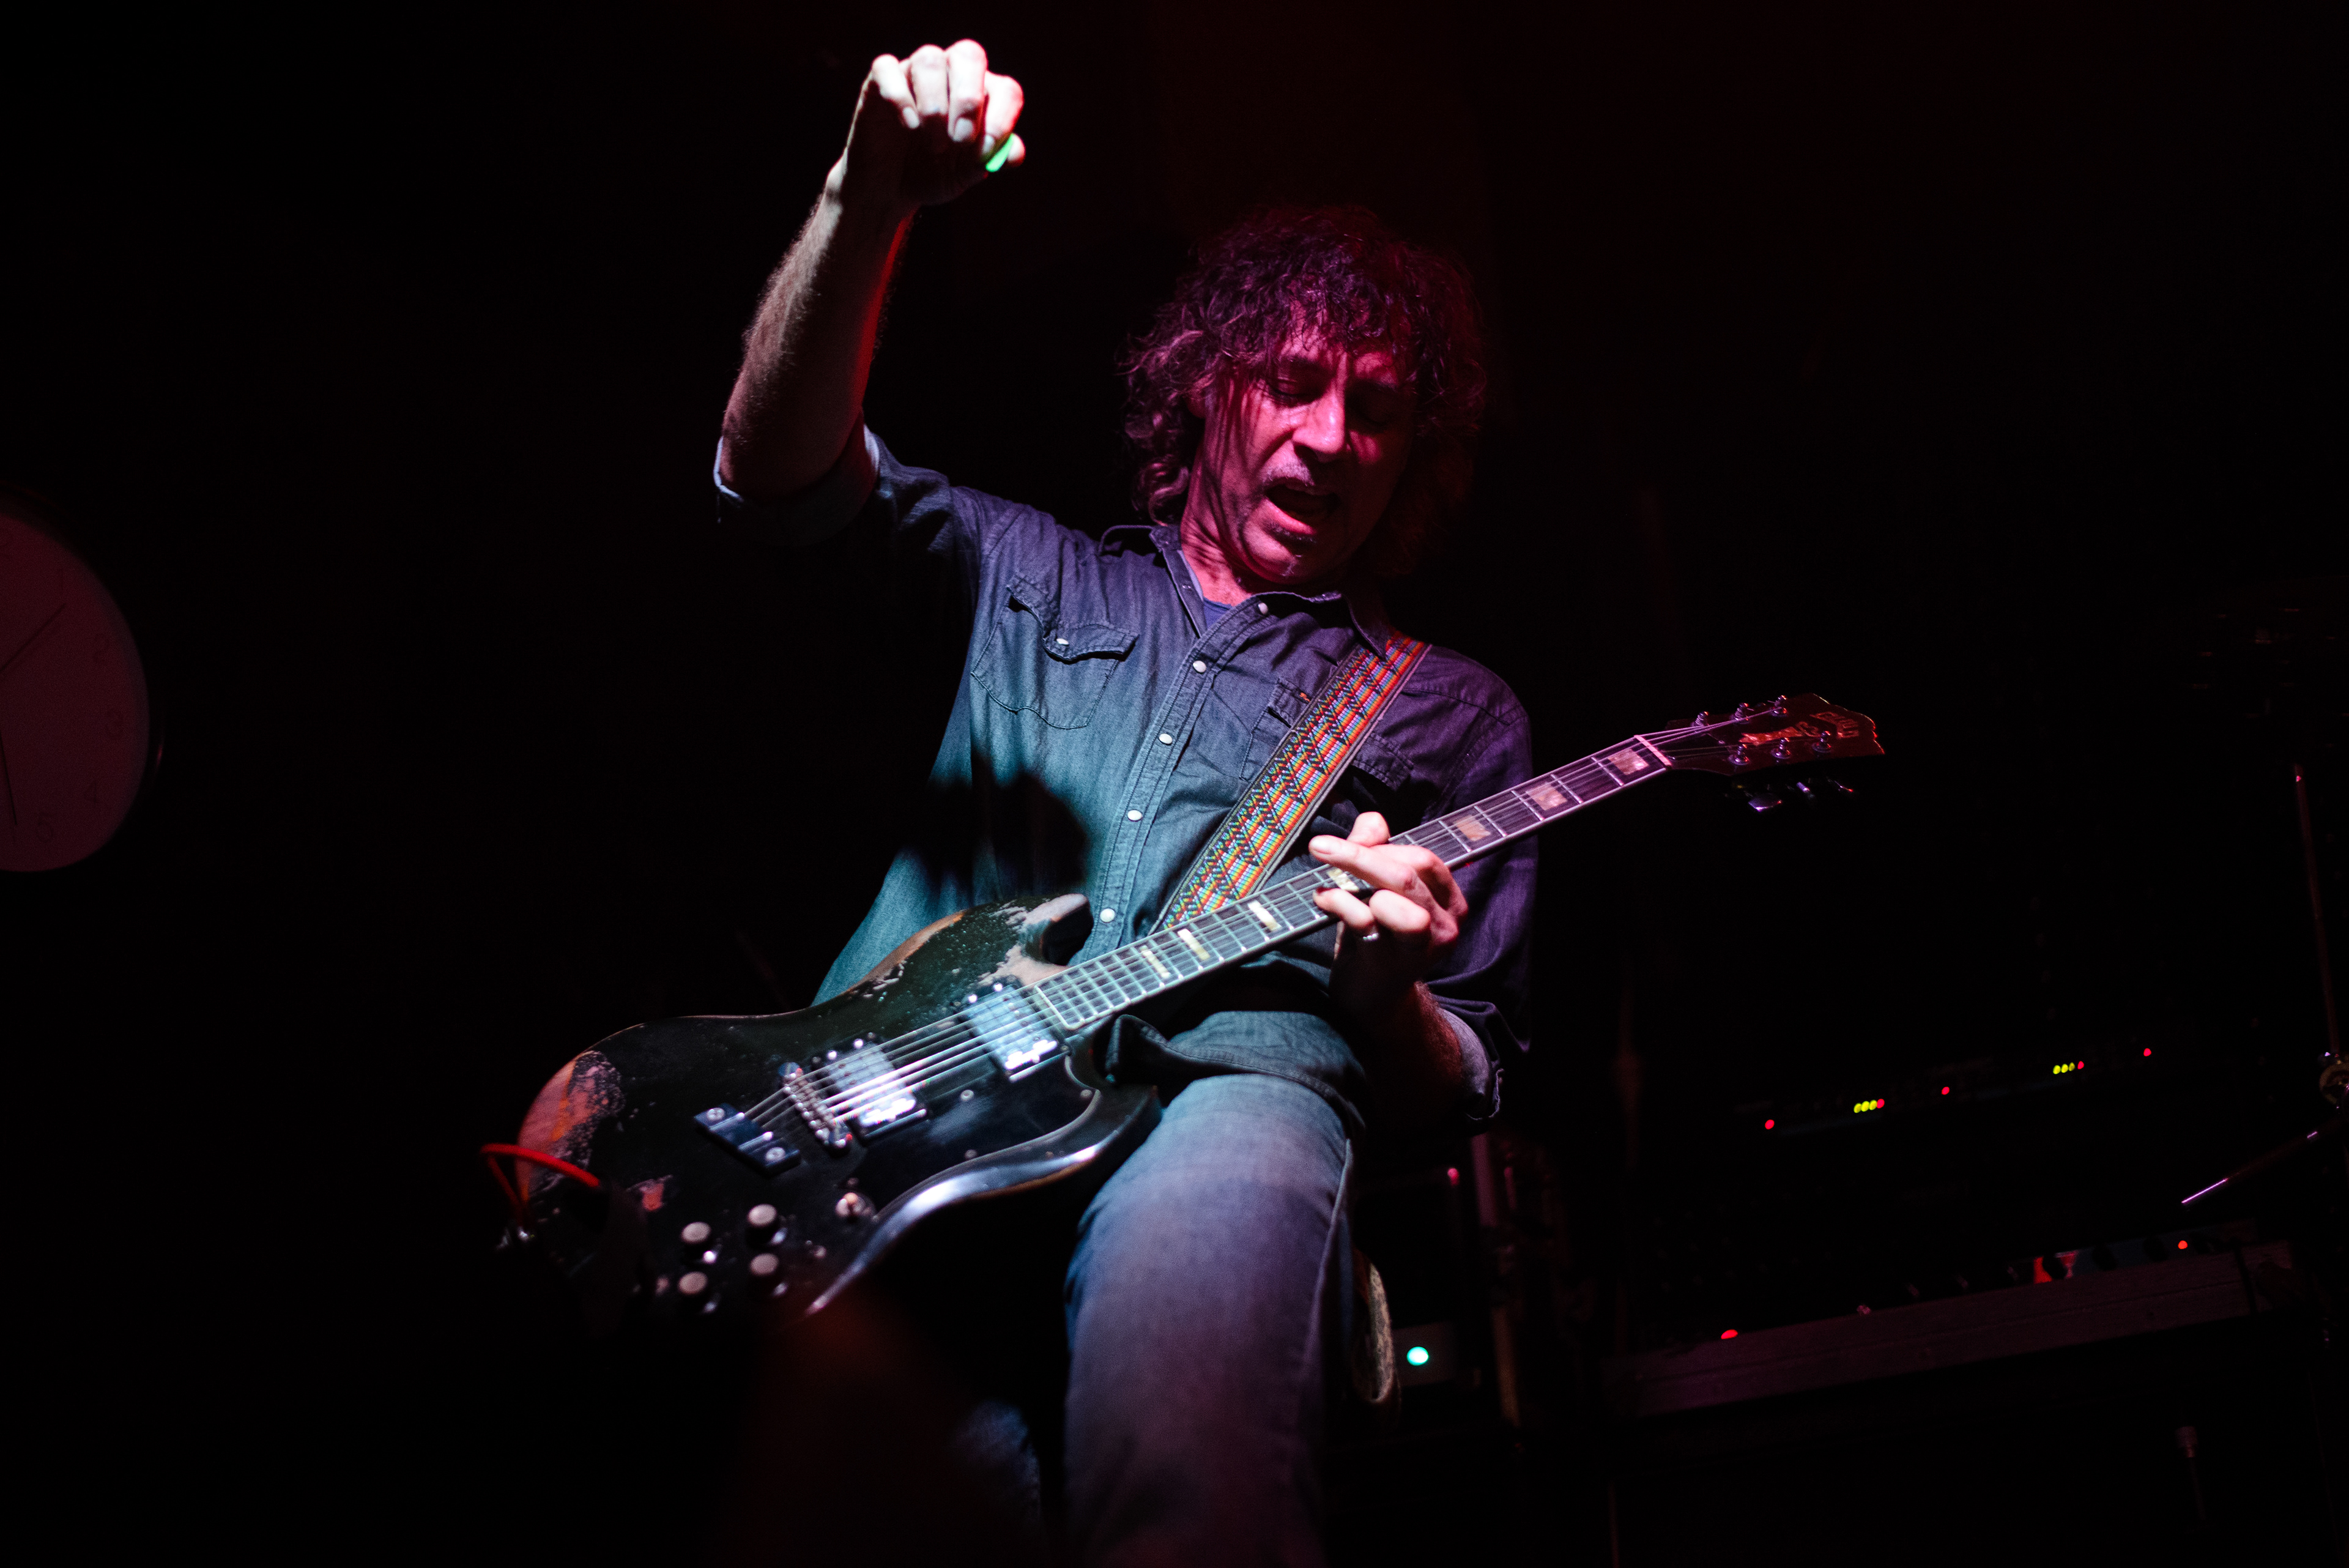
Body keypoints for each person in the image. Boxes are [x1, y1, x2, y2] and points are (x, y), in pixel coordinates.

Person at [714, 39, 1534, 1567]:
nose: (1333, 438)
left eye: (1379, 410)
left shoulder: (1451, 712)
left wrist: (1390, 995)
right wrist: (863, 198)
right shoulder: (1024, 571)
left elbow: (1461, 1074)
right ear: (1207, 385)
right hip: (920, 1124)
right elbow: (776, 473)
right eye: (1294, 382)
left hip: (1230, 1094)